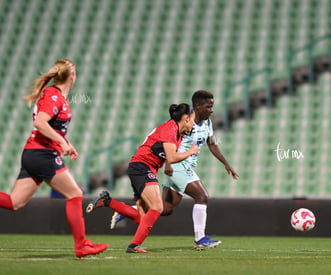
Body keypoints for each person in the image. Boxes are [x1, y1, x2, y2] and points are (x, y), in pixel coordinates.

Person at [0, 59, 108, 258]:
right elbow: (41, 123)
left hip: (35, 153)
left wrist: (66, 143)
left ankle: (82, 244)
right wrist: (62, 142)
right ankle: (81, 245)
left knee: (15, 203)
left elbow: (51, 127)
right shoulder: (53, 95)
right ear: (72, 77)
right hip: (42, 154)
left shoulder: (57, 96)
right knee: (75, 194)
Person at [111, 90, 239, 250]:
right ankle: (200, 239)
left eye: (212, 106)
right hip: (178, 166)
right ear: (198, 107)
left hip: (185, 166)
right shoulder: (185, 122)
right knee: (202, 196)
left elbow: (212, 143)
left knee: (166, 209)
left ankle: (130, 210)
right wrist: (169, 165)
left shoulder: (207, 122)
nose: (211, 110)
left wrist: (226, 163)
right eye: (208, 106)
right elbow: (170, 143)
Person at [86, 103, 198, 253]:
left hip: (142, 167)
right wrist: (191, 151)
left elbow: (166, 156)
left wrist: (169, 166)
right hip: (142, 167)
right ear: (185, 118)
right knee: (157, 207)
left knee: (142, 219)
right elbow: (171, 156)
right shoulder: (170, 129)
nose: (193, 123)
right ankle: (134, 246)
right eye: (192, 119)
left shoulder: (177, 133)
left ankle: (107, 201)